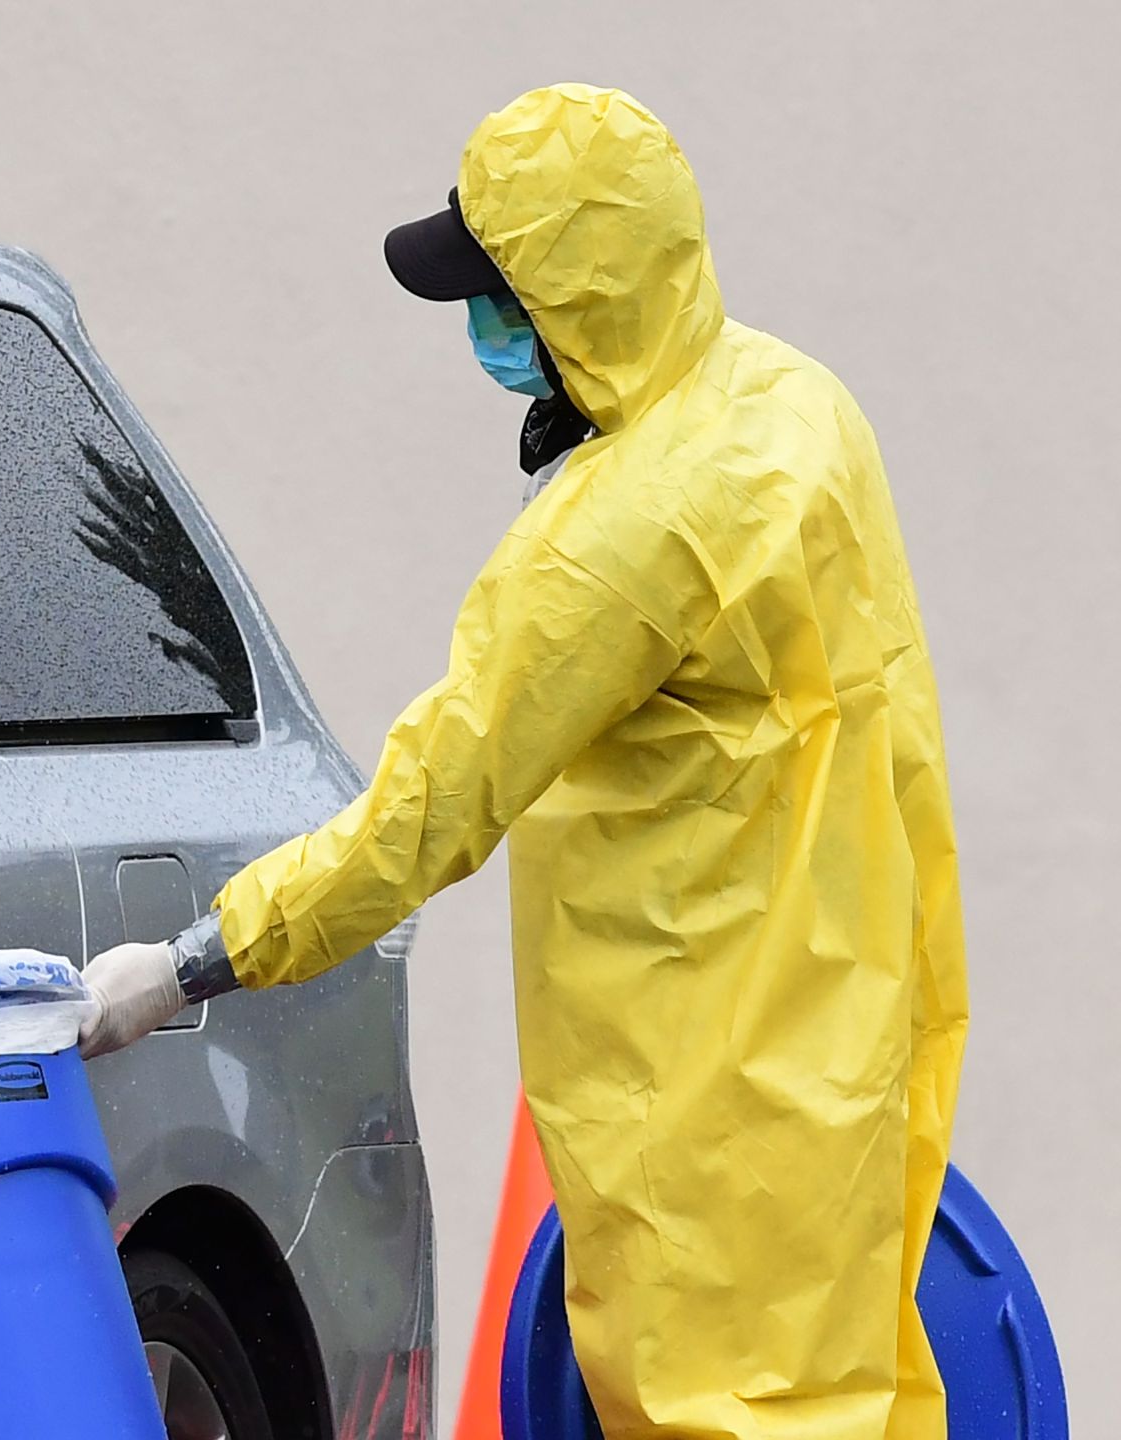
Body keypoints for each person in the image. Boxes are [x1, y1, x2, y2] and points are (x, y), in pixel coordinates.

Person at [79, 85, 968, 1440]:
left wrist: (193, 963)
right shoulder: (797, 409)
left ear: (581, 302)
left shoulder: (609, 544)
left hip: (701, 1106)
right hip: (845, 1044)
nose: (485, 335)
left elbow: (424, 813)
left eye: (503, 299)